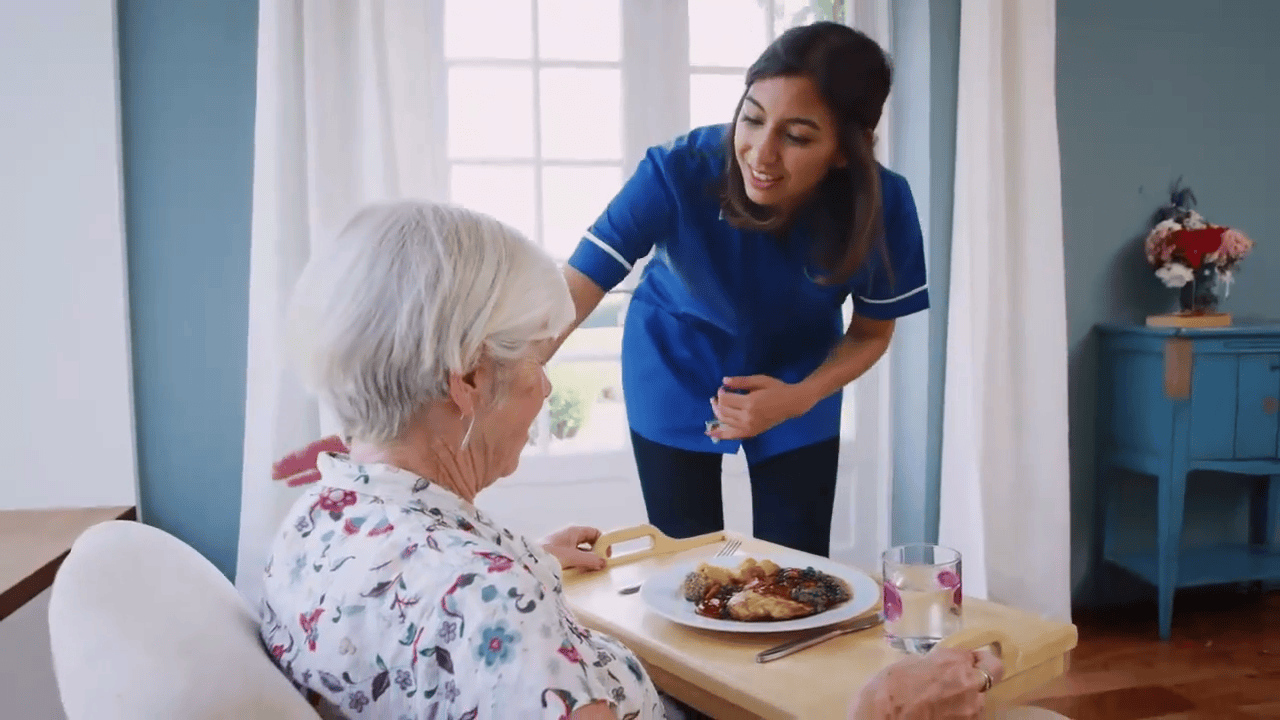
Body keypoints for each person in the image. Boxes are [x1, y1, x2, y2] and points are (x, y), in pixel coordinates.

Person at [259, 199, 1001, 719]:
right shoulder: (489, 602)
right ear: (470, 379)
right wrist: (881, 711)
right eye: (533, 358)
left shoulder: (314, 520)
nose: (547, 385)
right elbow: (479, 616)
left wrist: (525, 558)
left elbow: (432, 616)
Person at [555, 22, 928, 559]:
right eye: (751, 118)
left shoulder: (883, 205)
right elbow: (579, 282)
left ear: (847, 151)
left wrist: (799, 396)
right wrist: (505, 374)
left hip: (800, 374)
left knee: (796, 571)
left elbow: (871, 332)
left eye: (797, 136)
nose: (761, 153)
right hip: (674, 363)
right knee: (688, 566)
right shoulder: (679, 169)